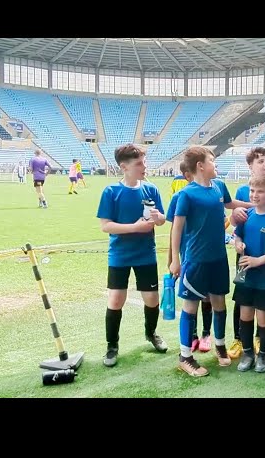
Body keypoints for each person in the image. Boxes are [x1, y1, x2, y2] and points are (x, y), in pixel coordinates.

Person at [169, 145, 251, 377]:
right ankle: (185, 356)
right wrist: (175, 259)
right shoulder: (186, 194)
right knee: (191, 307)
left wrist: (256, 205)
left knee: (219, 304)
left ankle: (220, 345)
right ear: (200, 166)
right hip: (196, 260)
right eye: (212, 161)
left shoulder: (219, 186)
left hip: (218, 259)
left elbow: (230, 203)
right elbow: (177, 227)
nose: (216, 165)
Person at [96, 144, 169, 367]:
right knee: (116, 300)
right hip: (119, 255)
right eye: (139, 164)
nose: (144, 166)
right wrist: (135, 227)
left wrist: (158, 218)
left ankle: (151, 333)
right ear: (124, 167)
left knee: (152, 300)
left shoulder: (150, 189)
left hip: (146, 254)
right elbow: (106, 226)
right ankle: (112, 345)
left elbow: (160, 219)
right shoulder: (111, 192)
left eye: (144, 162)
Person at [233, 174, 265, 373]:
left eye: (260, 191)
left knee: (263, 318)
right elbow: (237, 236)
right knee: (245, 315)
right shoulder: (247, 214)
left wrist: (258, 261)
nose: (255, 195)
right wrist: (238, 244)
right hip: (246, 275)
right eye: (252, 191)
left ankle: (263, 355)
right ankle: (247, 353)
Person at [228, 146, 265, 360]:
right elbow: (236, 219)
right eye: (260, 161)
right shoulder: (242, 190)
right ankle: (239, 338)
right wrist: (237, 213)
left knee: (263, 298)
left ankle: (258, 339)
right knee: (243, 297)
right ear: (250, 166)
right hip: (246, 251)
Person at [166, 161, 213, 354]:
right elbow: (173, 230)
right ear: (188, 176)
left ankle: (206, 334)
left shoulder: (212, 192)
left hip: (207, 256)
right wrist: (172, 259)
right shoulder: (180, 197)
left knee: (208, 296)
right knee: (190, 297)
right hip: (188, 256)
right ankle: (192, 336)